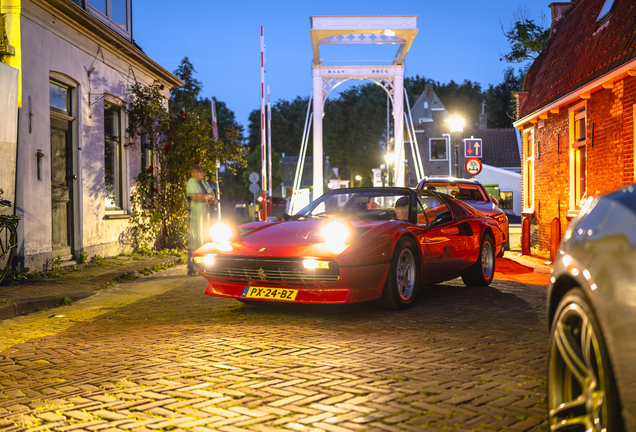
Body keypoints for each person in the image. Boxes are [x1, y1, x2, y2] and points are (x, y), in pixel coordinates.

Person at [186, 165, 215, 276]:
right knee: (194, 241)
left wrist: (205, 196)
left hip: (204, 217)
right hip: (195, 217)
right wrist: (205, 197)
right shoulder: (191, 183)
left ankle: (203, 267)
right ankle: (191, 267)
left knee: (204, 242)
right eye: (195, 172)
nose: (197, 174)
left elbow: (212, 195)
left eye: (199, 172)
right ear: (192, 173)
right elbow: (195, 197)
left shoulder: (204, 183)